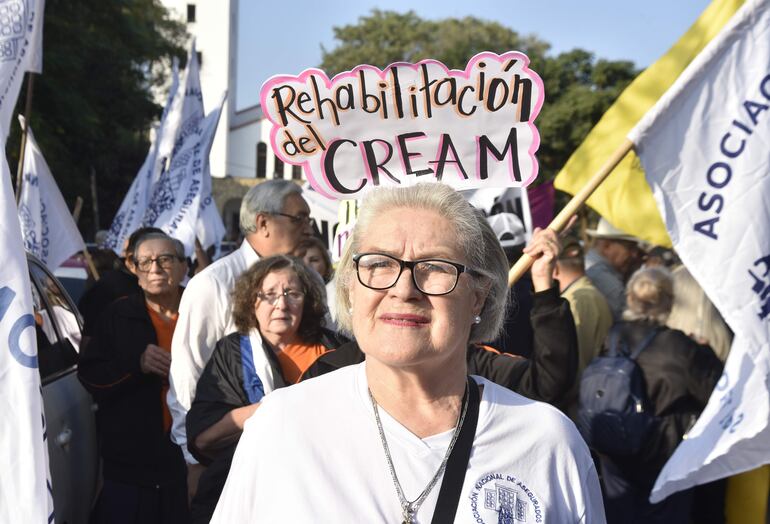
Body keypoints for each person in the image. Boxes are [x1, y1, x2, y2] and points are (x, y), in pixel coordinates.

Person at [211, 184, 604, 522]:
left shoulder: (547, 443)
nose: (403, 289)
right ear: (350, 287)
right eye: (379, 263)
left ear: (479, 297)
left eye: (435, 266)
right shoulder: (282, 424)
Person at [167, 179, 313, 496]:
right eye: (299, 218)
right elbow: (187, 375)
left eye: (308, 219)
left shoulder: (309, 282)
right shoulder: (213, 285)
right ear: (263, 222)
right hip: (227, 460)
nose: (308, 229)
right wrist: (193, 458)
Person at [185, 255, 345, 522]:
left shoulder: (336, 351)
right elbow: (203, 437)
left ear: (307, 300)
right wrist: (272, 408)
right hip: (249, 493)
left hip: (322, 494)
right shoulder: (233, 353)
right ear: (252, 301)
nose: (281, 304)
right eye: (269, 294)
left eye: (292, 293)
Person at [78, 232, 190, 523]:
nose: (155, 269)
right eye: (145, 262)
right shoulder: (117, 316)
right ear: (134, 270)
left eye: (165, 260)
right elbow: (91, 377)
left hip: (189, 462)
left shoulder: (200, 314)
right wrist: (136, 365)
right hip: (130, 465)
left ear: (183, 267)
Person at [597, 267, 723, 523]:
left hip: (614, 449)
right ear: (670, 301)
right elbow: (714, 392)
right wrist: (706, 351)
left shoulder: (614, 336)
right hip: (662, 455)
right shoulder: (680, 346)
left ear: (630, 298)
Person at [552, 239, 613, 418]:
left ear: (554, 270)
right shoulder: (587, 293)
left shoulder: (577, 300)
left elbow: (577, 360)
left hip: (581, 403)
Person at [78, 226, 165, 334]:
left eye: (165, 258)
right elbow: (90, 338)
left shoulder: (175, 290)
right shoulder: (107, 290)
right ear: (132, 259)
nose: (156, 266)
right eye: (148, 258)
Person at [585, 217, 646, 320]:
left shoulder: (594, 268)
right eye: (630, 248)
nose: (634, 255)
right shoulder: (601, 275)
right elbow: (631, 315)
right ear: (607, 246)